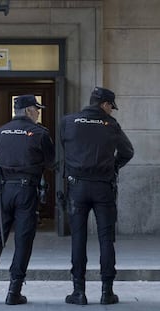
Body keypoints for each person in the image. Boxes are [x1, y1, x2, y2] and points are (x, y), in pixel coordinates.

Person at [0, 95, 55, 305]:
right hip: (26, 191)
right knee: (23, 241)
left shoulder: (0, 132)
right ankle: (14, 292)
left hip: (3, 191)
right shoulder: (40, 133)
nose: (38, 112)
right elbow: (51, 162)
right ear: (28, 111)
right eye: (37, 109)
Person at [60, 86, 134, 305]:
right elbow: (128, 152)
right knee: (106, 239)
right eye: (112, 107)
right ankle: (106, 292)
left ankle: (78, 292)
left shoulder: (68, 121)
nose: (112, 111)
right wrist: (113, 167)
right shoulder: (110, 124)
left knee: (78, 239)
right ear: (104, 104)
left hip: (77, 187)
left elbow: (63, 151)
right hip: (103, 188)